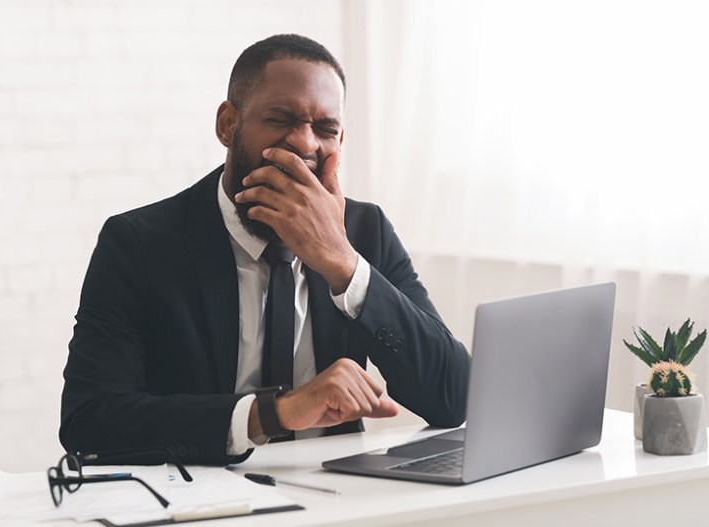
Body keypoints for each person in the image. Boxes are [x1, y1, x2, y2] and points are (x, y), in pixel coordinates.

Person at [60, 34, 470, 466]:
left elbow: (454, 396)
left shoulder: (366, 232)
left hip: (342, 501)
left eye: (326, 129)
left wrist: (342, 263)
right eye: (281, 118)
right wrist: (274, 413)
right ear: (227, 125)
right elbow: (90, 421)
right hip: (205, 499)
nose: (306, 144)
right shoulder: (139, 243)